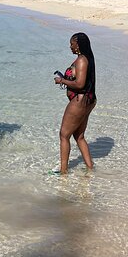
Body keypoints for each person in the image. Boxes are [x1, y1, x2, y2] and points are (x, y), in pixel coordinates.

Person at [52, 32, 97, 174]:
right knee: (79, 136)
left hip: (80, 100)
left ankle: (63, 171)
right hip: (87, 100)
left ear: (78, 45)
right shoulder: (85, 58)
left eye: (72, 43)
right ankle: (90, 169)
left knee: (64, 135)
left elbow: (79, 83)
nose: (70, 46)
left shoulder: (82, 60)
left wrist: (62, 81)